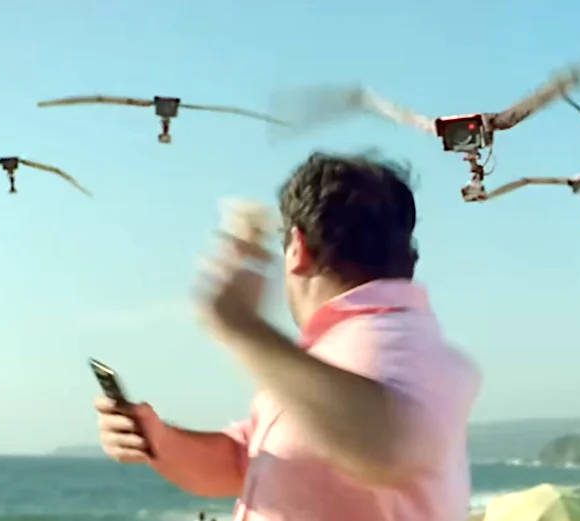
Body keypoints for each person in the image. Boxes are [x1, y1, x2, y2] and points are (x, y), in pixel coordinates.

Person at [94, 151, 482, 521]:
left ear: (297, 247)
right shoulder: (333, 354)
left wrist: (242, 327)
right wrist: (158, 440)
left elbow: (386, 443)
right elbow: (241, 462)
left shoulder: (403, 343)